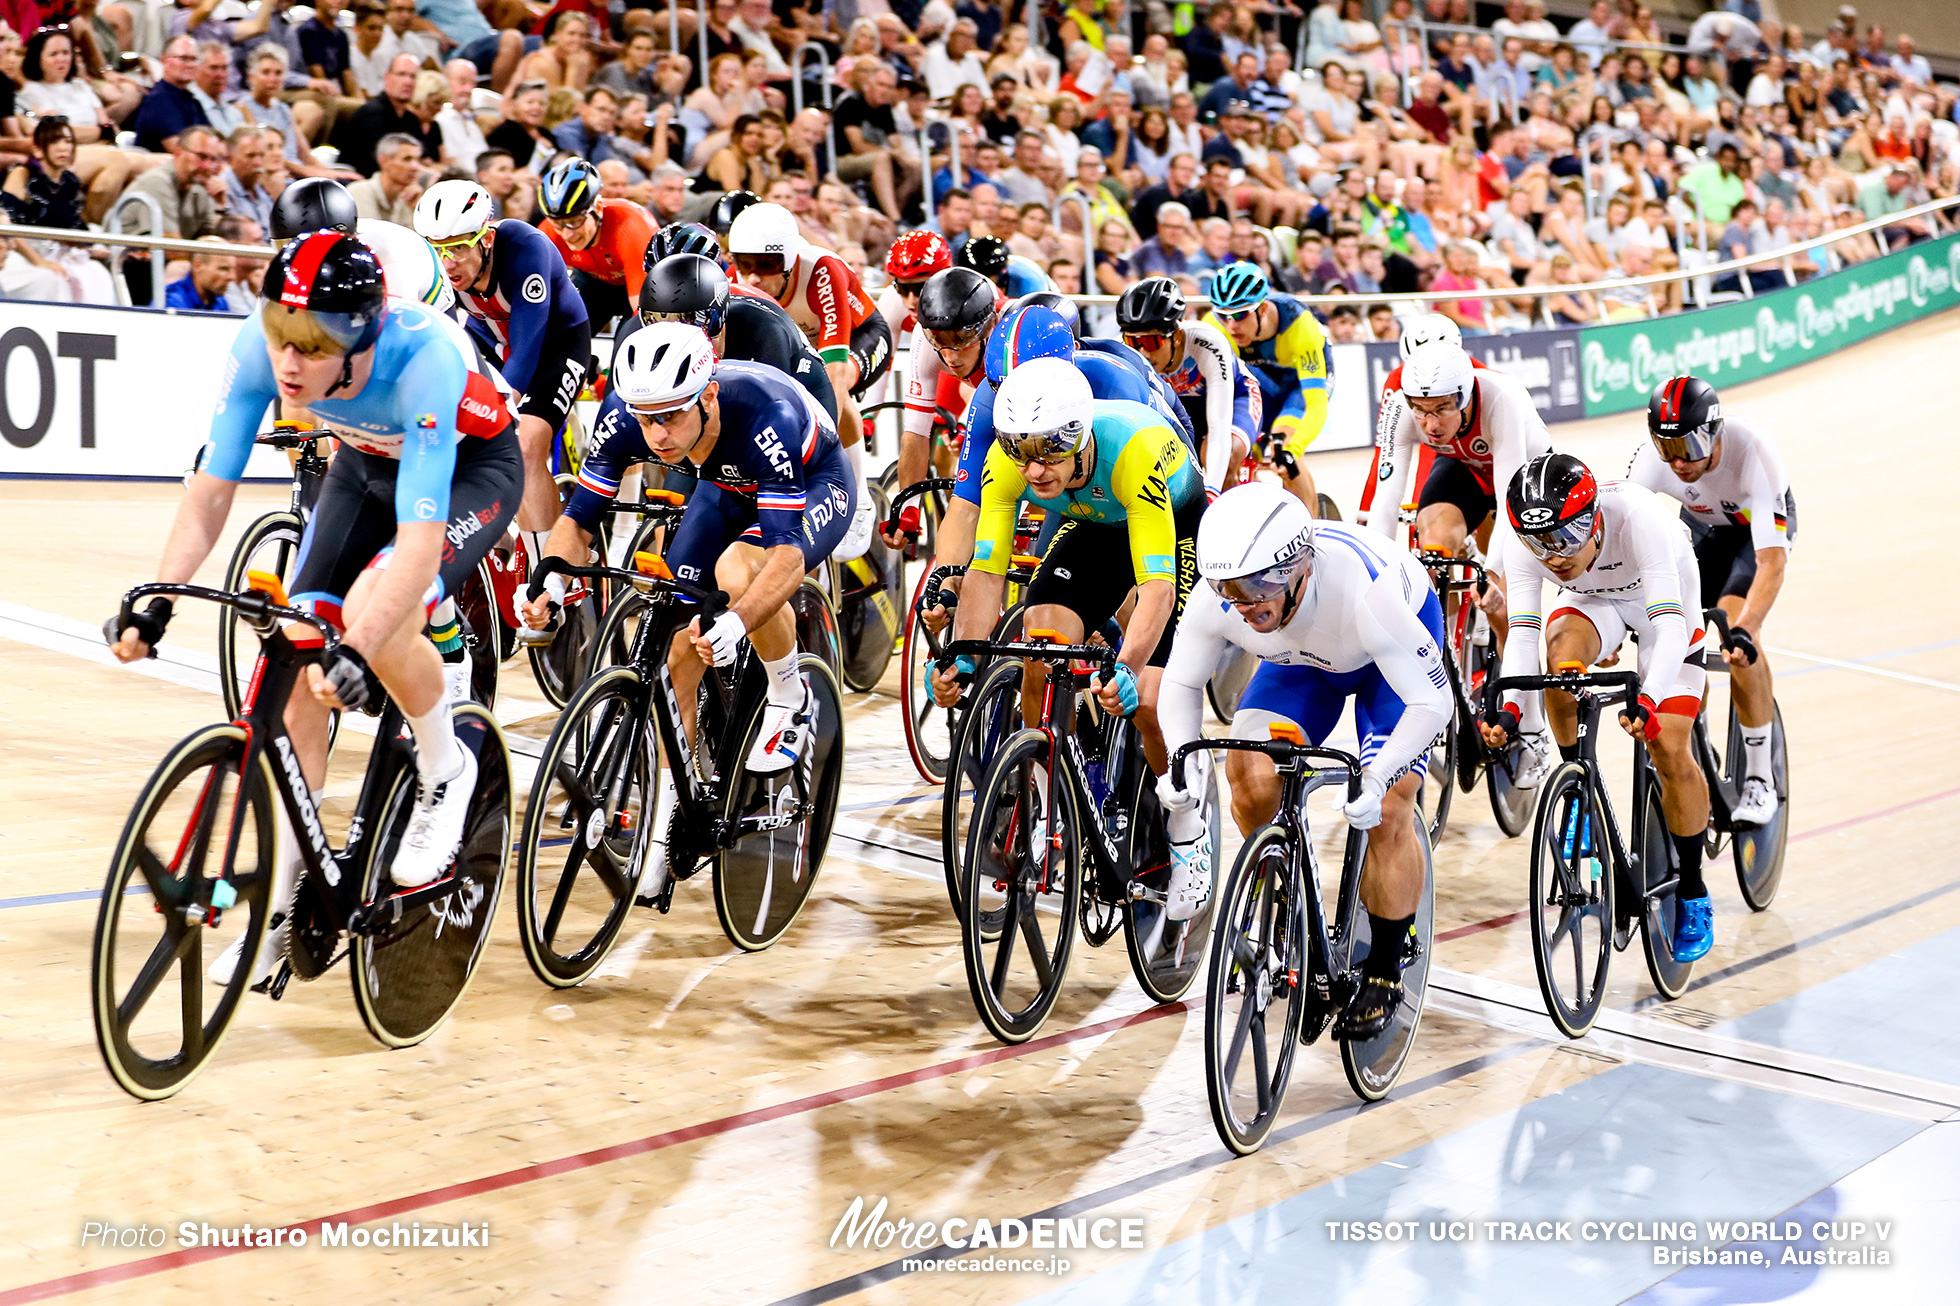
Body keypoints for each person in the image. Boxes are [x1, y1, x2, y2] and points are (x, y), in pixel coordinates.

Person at [106, 231, 521, 986]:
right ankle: (286, 904)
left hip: (470, 469)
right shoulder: (260, 347)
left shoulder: (424, 360)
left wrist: (360, 647)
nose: (290, 361)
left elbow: (421, 547)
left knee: (377, 606)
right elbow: (210, 489)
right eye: (280, 334)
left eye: (315, 341)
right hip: (363, 464)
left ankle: (444, 766)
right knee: (297, 645)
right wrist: (156, 599)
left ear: (361, 337)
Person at [521, 323, 853, 888]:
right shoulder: (631, 417)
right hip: (722, 485)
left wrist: (739, 620)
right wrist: (550, 580)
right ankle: (671, 812)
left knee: (736, 573)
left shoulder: (765, 415)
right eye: (646, 418)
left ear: (708, 395)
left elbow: (786, 557)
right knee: (678, 647)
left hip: (815, 482)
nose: (656, 434)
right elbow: (577, 519)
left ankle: (788, 691)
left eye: (671, 416)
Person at [1155, 480, 1449, 1029]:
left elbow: (1433, 702)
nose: (1244, 603)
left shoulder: (1369, 595)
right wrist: (1181, 760)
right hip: (1301, 663)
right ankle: (1293, 898)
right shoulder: (1221, 597)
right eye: (1229, 586)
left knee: (1388, 807)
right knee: (1248, 774)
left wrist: (1382, 773)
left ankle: (1387, 961)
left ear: (1299, 569)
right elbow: (1180, 685)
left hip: (1388, 662)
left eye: (1259, 585)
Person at [929, 355, 1205, 792]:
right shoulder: (1005, 463)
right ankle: (1054, 806)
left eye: (1049, 451)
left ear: (1078, 436)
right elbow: (986, 572)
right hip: (1095, 520)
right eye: (1021, 452)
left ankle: (1185, 825)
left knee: (1153, 702)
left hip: (1173, 520)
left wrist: (1131, 668)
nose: (1034, 470)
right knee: (1040, 640)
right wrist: (962, 656)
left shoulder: (1134, 451)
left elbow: (1156, 589)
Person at [1481, 454, 1716, 964]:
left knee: (1668, 745)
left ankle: (1694, 888)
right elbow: (1521, 635)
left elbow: (1671, 628)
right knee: (1559, 668)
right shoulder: (1529, 540)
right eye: (1540, 544)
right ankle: (1579, 789)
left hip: (1666, 613)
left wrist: (1650, 699)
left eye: (1566, 539)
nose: (1555, 557)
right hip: (1594, 606)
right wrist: (1512, 710)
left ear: (1594, 520)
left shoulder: (1639, 518)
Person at [414, 179, 592, 635]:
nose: (446, 262)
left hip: (555, 343)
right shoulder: (434, 270)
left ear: (486, 238)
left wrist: (498, 410)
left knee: (526, 441)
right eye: (436, 249)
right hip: (489, 342)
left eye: (457, 248)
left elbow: (528, 347)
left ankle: (546, 574)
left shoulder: (526, 247)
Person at [1629, 376, 1791, 824]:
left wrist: (1748, 627)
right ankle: (1692, 731)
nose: (1678, 462)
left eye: (1689, 446)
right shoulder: (1652, 460)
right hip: (1701, 533)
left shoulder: (1754, 449)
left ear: (1714, 432)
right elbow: (1627, 535)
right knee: (1676, 631)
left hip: (1750, 538)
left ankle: (1760, 779)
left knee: (1736, 640)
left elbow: (1771, 561)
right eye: (1667, 449)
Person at [726, 200, 886, 557]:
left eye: (766, 265)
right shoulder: (735, 280)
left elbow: (833, 370)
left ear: (790, 261)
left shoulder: (821, 269)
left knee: (835, 389)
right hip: (799, 345)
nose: (753, 277)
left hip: (859, 336)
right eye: (744, 264)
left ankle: (857, 499)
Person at [626, 249, 836, 421]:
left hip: (801, 391)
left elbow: (773, 412)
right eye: (657, 319)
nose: (674, 331)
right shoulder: (634, 330)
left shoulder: (762, 330)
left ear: (717, 318)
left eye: (688, 319)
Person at [1202, 261, 1330, 514]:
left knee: (1282, 448)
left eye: (1240, 315)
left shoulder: (1299, 326)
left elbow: (1316, 404)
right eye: (1223, 315)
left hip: (1297, 388)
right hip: (1261, 385)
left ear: (1262, 309)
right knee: (1233, 451)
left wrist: (1293, 451)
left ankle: (1310, 533)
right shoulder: (1212, 327)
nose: (1231, 325)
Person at [1116, 275, 1258, 496]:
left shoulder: (1207, 341)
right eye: (1133, 342)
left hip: (1234, 398)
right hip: (1182, 408)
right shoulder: (1121, 350)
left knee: (1225, 459)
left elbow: (1219, 426)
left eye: (1152, 342)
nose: (1142, 352)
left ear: (1178, 336)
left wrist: (1211, 491)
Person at [538, 155, 655, 332]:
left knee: (626, 350)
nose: (567, 233)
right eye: (559, 224)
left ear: (598, 209)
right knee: (558, 336)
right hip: (593, 283)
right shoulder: (549, 231)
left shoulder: (631, 227)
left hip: (642, 286)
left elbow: (646, 315)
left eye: (575, 221)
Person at [164, 235, 235, 310]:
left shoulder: (220, 302)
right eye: (223, 269)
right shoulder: (171, 301)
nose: (231, 277)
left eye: (232, 269)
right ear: (197, 266)